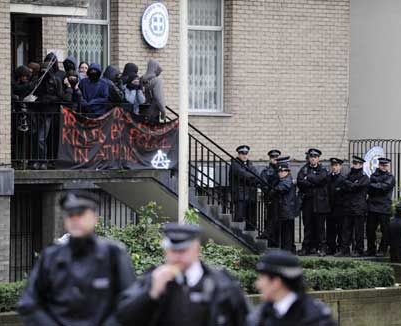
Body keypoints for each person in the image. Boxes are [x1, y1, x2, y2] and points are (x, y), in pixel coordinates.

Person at [17, 190, 136, 325]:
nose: (74, 219)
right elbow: (29, 303)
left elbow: (129, 302)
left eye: (80, 214)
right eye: (70, 215)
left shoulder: (113, 254)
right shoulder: (50, 256)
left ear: (95, 218)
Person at [117, 223, 249, 326]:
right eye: (173, 251)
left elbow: (244, 320)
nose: (177, 256)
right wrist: (151, 294)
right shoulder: (152, 280)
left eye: (183, 250)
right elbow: (124, 318)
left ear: (197, 250)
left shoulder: (222, 283)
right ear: (165, 251)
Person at [247, 250, 336, 326]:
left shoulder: (316, 318)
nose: (257, 284)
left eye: (262, 278)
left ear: (276, 282)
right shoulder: (262, 314)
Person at [297, 149, 330, 257]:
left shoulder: (323, 169)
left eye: (315, 157)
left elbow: (322, 179)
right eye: (311, 156)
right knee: (307, 226)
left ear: (318, 158)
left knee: (320, 227)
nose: (313, 158)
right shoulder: (304, 169)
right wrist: (314, 181)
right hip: (307, 201)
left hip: (320, 202)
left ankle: (322, 248)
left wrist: (309, 178)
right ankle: (306, 248)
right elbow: (300, 182)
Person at [336, 156, 370, 257]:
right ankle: (344, 249)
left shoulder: (364, 177)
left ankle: (358, 250)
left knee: (358, 231)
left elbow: (356, 187)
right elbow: (342, 185)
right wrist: (350, 184)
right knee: (345, 230)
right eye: (354, 163)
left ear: (361, 165)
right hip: (348, 206)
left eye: (356, 164)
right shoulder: (348, 174)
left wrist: (349, 185)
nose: (354, 165)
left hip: (359, 207)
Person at [32, 62, 63, 170]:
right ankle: (37, 160)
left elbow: (60, 97)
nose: (44, 73)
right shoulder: (38, 81)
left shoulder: (55, 81)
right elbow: (33, 93)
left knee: (41, 138)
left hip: (48, 113)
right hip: (37, 112)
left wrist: (49, 99)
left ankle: (43, 161)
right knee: (36, 138)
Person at [366, 157, 396, 257]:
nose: (384, 167)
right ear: (379, 165)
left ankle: (382, 250)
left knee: (385, 230)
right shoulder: (373, 175)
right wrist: (377, 186)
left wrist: (374, 185)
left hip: (384, 207)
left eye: (386, 165)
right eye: (382, 165)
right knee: (370, 230)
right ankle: (371, 249)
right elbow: (369, 189)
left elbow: (384, 188)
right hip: (372, 207)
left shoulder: (390, 177)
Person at [268, 161, 297, 251]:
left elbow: (283, 187)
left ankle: (288, 251)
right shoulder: (282, 180)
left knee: (287, 232)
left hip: (287, 210)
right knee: (285, 232)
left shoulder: (287, 180)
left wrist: (273, 191)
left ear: (287, 171)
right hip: (284, 210)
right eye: (279, 171)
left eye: (283, 171)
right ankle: (287, 249)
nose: (281, 173)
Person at [229, 145, 259, 231]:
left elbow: (257, 175)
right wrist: (254, 178)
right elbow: (243, 175)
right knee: (239, 217)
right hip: (240, 195)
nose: (245, 155)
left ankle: (250, 239)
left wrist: (254, 178)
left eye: (246, 153)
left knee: (251, 219)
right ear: (238, 154)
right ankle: (236, 235)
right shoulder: (235, 164)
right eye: (242, 154)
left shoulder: (250, 164)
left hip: (251, 195)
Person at [260, 150, 282, 239]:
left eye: (277, 157)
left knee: (279, 220)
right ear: (270, 159)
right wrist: (270, 193)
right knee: (271, 218)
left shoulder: (282, 169)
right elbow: (263, 185)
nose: (275, 159)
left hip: (280, 199)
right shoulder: (266, 171)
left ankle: (277, 240)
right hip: (271, 199)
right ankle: (270, 239)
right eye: (273, 157)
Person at [326, 158, 345, 256]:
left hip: (339, 207)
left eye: (336, 165)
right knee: (330, 229)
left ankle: (340, 247)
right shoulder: (328, 178)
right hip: (329, 207)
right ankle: (331, 247)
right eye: (333, 165)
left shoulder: (343, 178)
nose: (334, 167)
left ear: (340, 167)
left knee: (340, 229)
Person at [142, 59, 166, 123]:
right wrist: (163, 111)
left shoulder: (141, 79)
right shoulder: (157, 81)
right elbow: (158, 97)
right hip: (153, 113)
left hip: (142, 112)